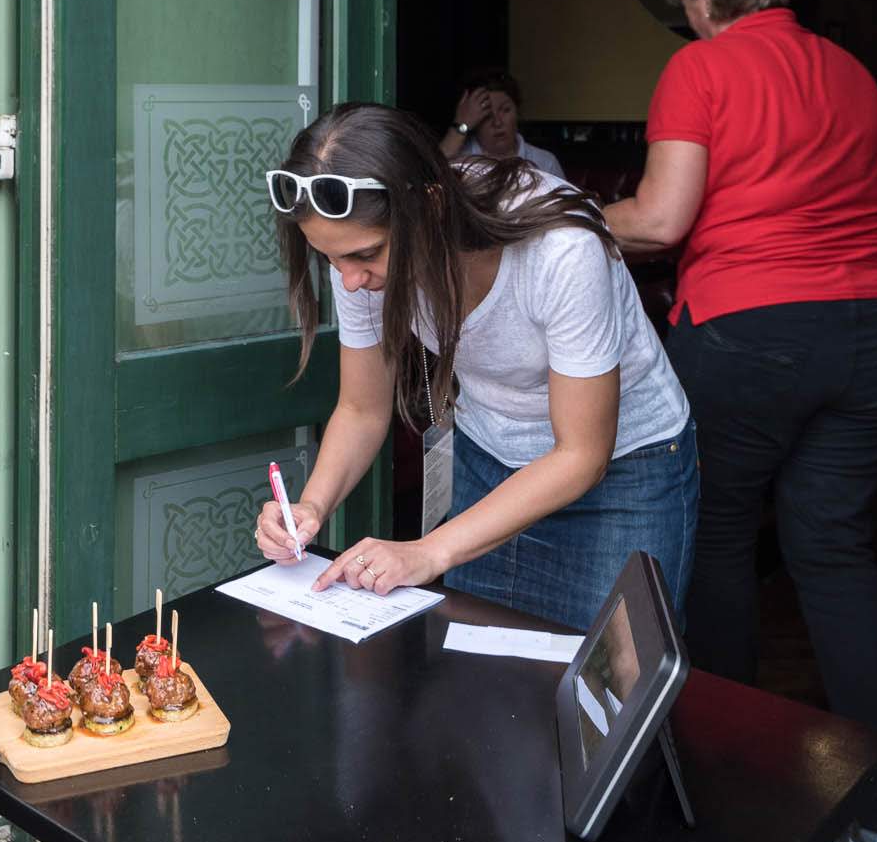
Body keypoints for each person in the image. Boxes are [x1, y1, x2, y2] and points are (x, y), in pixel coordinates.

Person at [602, 0, 877, 842]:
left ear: (697, 0)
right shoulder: (848, 69)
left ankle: (729, 803)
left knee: (716, 541)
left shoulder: (701, 66)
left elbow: (663, 218)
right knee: (831, 548)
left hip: (751, 331)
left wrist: (571, 215)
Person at [252, 103, 697, 634]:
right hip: (490, 456)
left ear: (431, 208)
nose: (349, 281)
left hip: (625, 471)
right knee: (481, 676)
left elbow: (582, 455)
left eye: (366, 255)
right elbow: (361, 407)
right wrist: (311, 506)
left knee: (604, 692)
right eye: (331, 259)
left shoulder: (563, 249)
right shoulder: (354, 251)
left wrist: (428, 552)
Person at [438, 68, 566, 179]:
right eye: (487, 115)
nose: (497, 122)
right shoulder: (460, 159)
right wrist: (461, 124)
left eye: (505, 110)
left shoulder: (545, 162)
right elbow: (430, 175)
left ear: (517, 111)